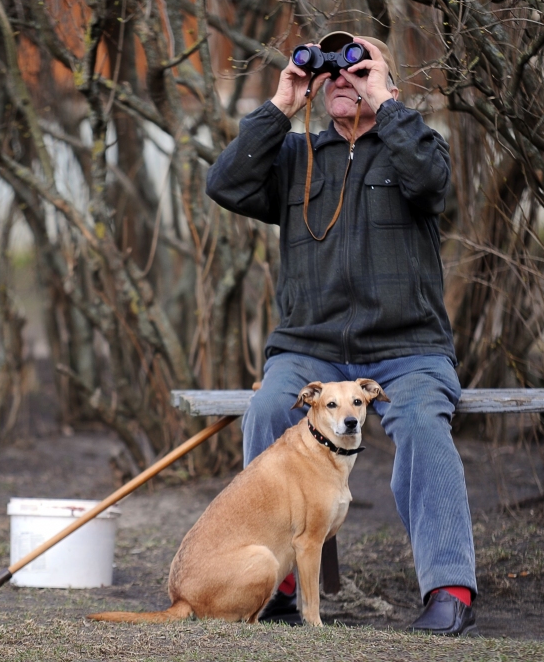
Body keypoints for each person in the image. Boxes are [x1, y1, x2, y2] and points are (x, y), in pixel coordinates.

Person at [205, 31, 477, 635]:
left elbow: (434, 184)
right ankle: (274, 583)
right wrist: (279, 105)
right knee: (270, 408)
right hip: (310, 346)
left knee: (423, 424)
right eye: (335, 71)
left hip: (408, 349)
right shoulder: (297, 157)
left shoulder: (413, 145)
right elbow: (224, 183)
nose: (342, 78)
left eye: (360, 68)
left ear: (387, 83)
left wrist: (386, 103)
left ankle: (449, 589)